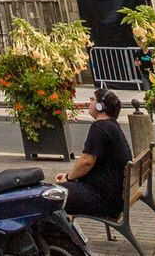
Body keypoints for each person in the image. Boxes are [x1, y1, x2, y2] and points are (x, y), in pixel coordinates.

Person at [60, 89, 132, 220]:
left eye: (92, 100)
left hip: (104, 200)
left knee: (51, 194)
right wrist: (69, 177)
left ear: (101, 106)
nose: (89, 103)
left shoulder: (99, 128)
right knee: (58, 191)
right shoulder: (112, 126)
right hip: (114, 196)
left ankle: (54, 234)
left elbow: (86, 161)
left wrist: (68, 178)